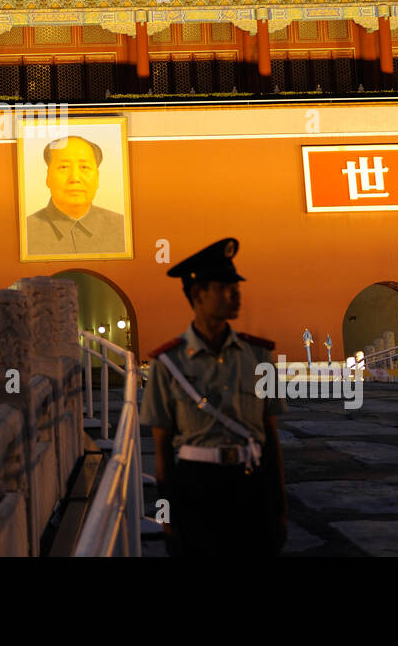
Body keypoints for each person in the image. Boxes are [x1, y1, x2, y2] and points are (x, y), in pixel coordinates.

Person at [138, 237, 287, 557]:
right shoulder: (168, 364)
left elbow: (271, 440)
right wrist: (166, 518)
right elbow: (161, 455)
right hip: (195, 489)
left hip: (251, 485)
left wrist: (280, 508)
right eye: (224, 287)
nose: (236, 294)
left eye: (237, 287)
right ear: (197, 294)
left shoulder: (259, 356)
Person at [24, 135, 125, 255]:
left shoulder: (122, 228)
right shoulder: (25, 232)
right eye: (64, 167)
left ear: (97, 177)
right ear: (48, 177)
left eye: (84, 167)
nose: (75, 178)